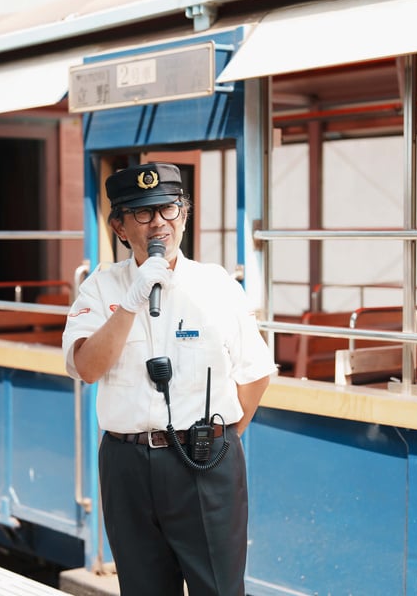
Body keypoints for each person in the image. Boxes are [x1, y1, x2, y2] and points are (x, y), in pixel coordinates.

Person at [62, 162, 277, 596]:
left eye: (169, 208)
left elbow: (255, 375)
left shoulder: (216, 285)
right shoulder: (101, 289)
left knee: (218, 589)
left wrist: (218, 439)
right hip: (127, 465)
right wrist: (131, 301)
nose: (159, 222)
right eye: (143, 212)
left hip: (205, 459)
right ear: (120, 227)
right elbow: (87, 368)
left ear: (184, 215)